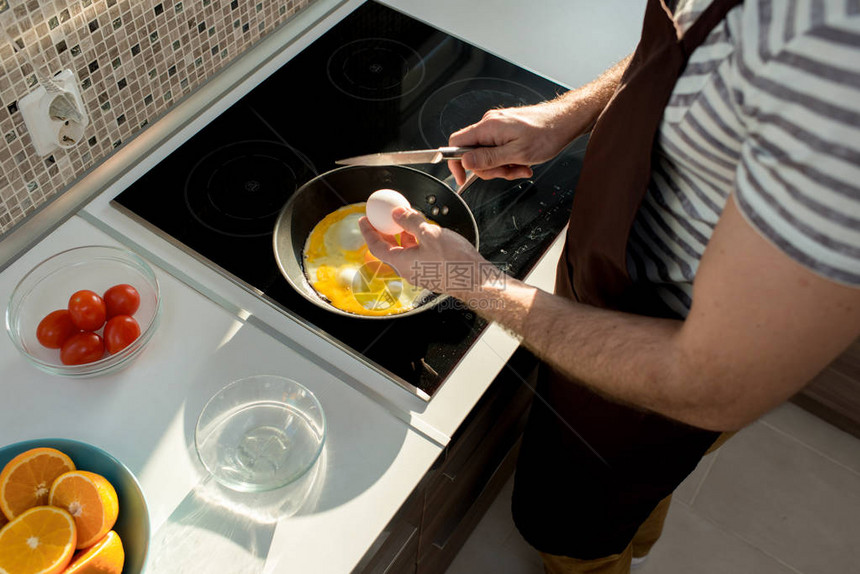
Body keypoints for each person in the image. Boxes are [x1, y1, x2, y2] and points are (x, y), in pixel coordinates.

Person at [359, 0, 860, 572]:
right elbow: (678, 55)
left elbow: (715, 385)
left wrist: (469, 280)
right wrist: (563, 117)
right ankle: (636, 543)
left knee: (573, 530)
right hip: (608, 276)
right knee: (633, 497)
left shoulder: (840, 63)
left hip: (662, 363)